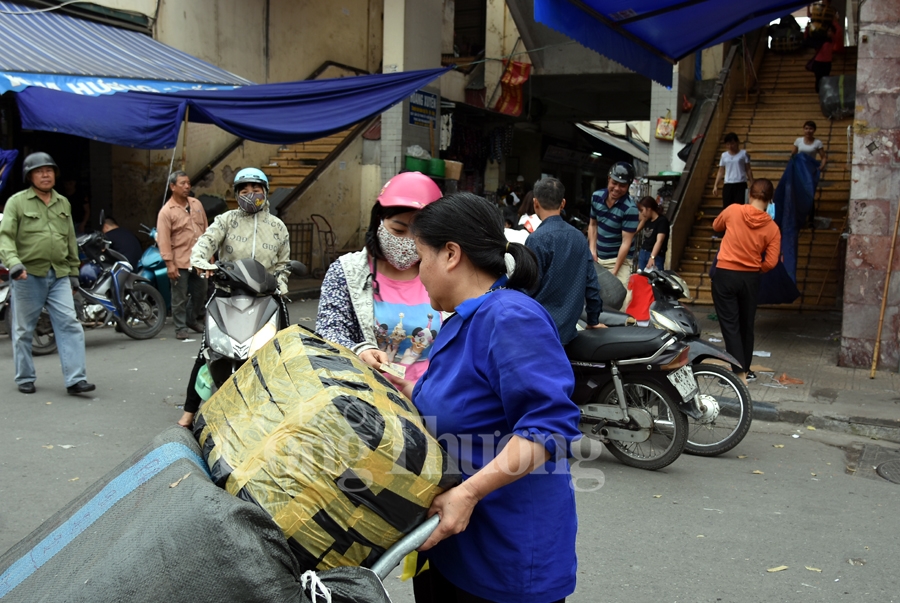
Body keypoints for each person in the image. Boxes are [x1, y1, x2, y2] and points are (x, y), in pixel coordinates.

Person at [405, 192, 581, 603]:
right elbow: (466, 406)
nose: (418, 273)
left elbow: (549, 427)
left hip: (506, 559)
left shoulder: (510, 316)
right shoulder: (462, 320)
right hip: (454, 545)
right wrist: (401, 387)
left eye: (421, 258)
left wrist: (467, 493)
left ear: (451, 254)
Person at [177, 168, 290, 428]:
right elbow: (204, 244)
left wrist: (280, 285)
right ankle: (189, 411)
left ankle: (282, 406)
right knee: (208, 350)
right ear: (236, 194)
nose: (250, 194)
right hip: (227, 294)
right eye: (244, 190)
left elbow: (283, 264)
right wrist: (200, 262)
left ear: (266, 190)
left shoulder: (277, 227)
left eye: (256, 188)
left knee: (281, 348)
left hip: (265, 297)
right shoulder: (226, 220)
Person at [316, 171, 443, 383]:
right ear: (378, 221)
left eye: (420, 235)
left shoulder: (444, 274)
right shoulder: (347, 271)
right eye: (398, 230)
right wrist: (359, 350)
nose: (408, 243)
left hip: (428, 402)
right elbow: (328, 332)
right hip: (367, 402)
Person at [0, 152, 95, 395]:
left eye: (49, 170)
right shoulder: (17, 202)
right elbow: (6, 238)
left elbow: (70, 240)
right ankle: (25, 377)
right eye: (39, 171)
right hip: (27, 274)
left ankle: (75, 379)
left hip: (60, 274)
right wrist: (14, 264)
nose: (45, 174)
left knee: (70, 324)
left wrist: (74, 271)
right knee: (24, 329)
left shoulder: (63, 202)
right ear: (30, 176)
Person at [711, 178, 781, 383]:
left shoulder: (733, 210)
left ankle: (737, 374)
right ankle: (745, 369)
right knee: (746, 324)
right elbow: (772, 261)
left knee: (730, 325)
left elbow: (716, 226)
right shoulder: (772, 228)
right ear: (770, 200)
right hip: (750, 278)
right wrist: (757, 267)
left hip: (725, 275)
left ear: (750, 194)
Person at [526, 177, 604, 344]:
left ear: (535, 203)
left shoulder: (536, 239)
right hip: (568, 333)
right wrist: (593, 319)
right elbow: (592, 285)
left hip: (539, 330)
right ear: (563, 203)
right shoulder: (579, 237)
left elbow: (527, 289)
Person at [156, 170, 208, 340]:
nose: (187, 186)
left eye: (188, 183)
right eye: (182, 184)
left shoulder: (196, 204)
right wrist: (169, 263)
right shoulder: (166, 211)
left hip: (199, 259)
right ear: (172, 187)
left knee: (201, 292)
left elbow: (206, 230)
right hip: (179, 261)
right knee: (179, 297)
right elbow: (163, 239)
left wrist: (210, 252)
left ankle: (191, 319)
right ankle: (180, 327)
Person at [588, 161, 639, 308]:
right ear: (608, 179)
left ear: (628, 186)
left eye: (622, 185)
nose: (617, 188)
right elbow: (592, 225)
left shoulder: (630, 208)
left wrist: (615, 270)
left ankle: (618, 329)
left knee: (619, 300)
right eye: (614, 183)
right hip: (598, 258)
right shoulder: (596, 197)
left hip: (620, 261)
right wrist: (592, 251)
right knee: (592, 297)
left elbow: (626, 242)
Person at [712, 133, 753, 209]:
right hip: (728, 184)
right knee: (727, 207)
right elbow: (721, 170)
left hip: (740, 183)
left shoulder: (743, 154)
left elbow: (748, 169)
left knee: (740, 208)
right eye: (727, 144)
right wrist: (715, 185)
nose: (730, 146)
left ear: (737, 142)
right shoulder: (724, 155)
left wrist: (752, 182)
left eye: (732, 144)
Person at [636, 196, 670, 271]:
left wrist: (652, 257)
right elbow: (640, 222)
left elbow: (659, 241)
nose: (641, 213)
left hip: (655, 255)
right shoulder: (647, 220)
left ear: (649, 208)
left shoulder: (662, 221)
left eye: (642, 210)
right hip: (643, 252)